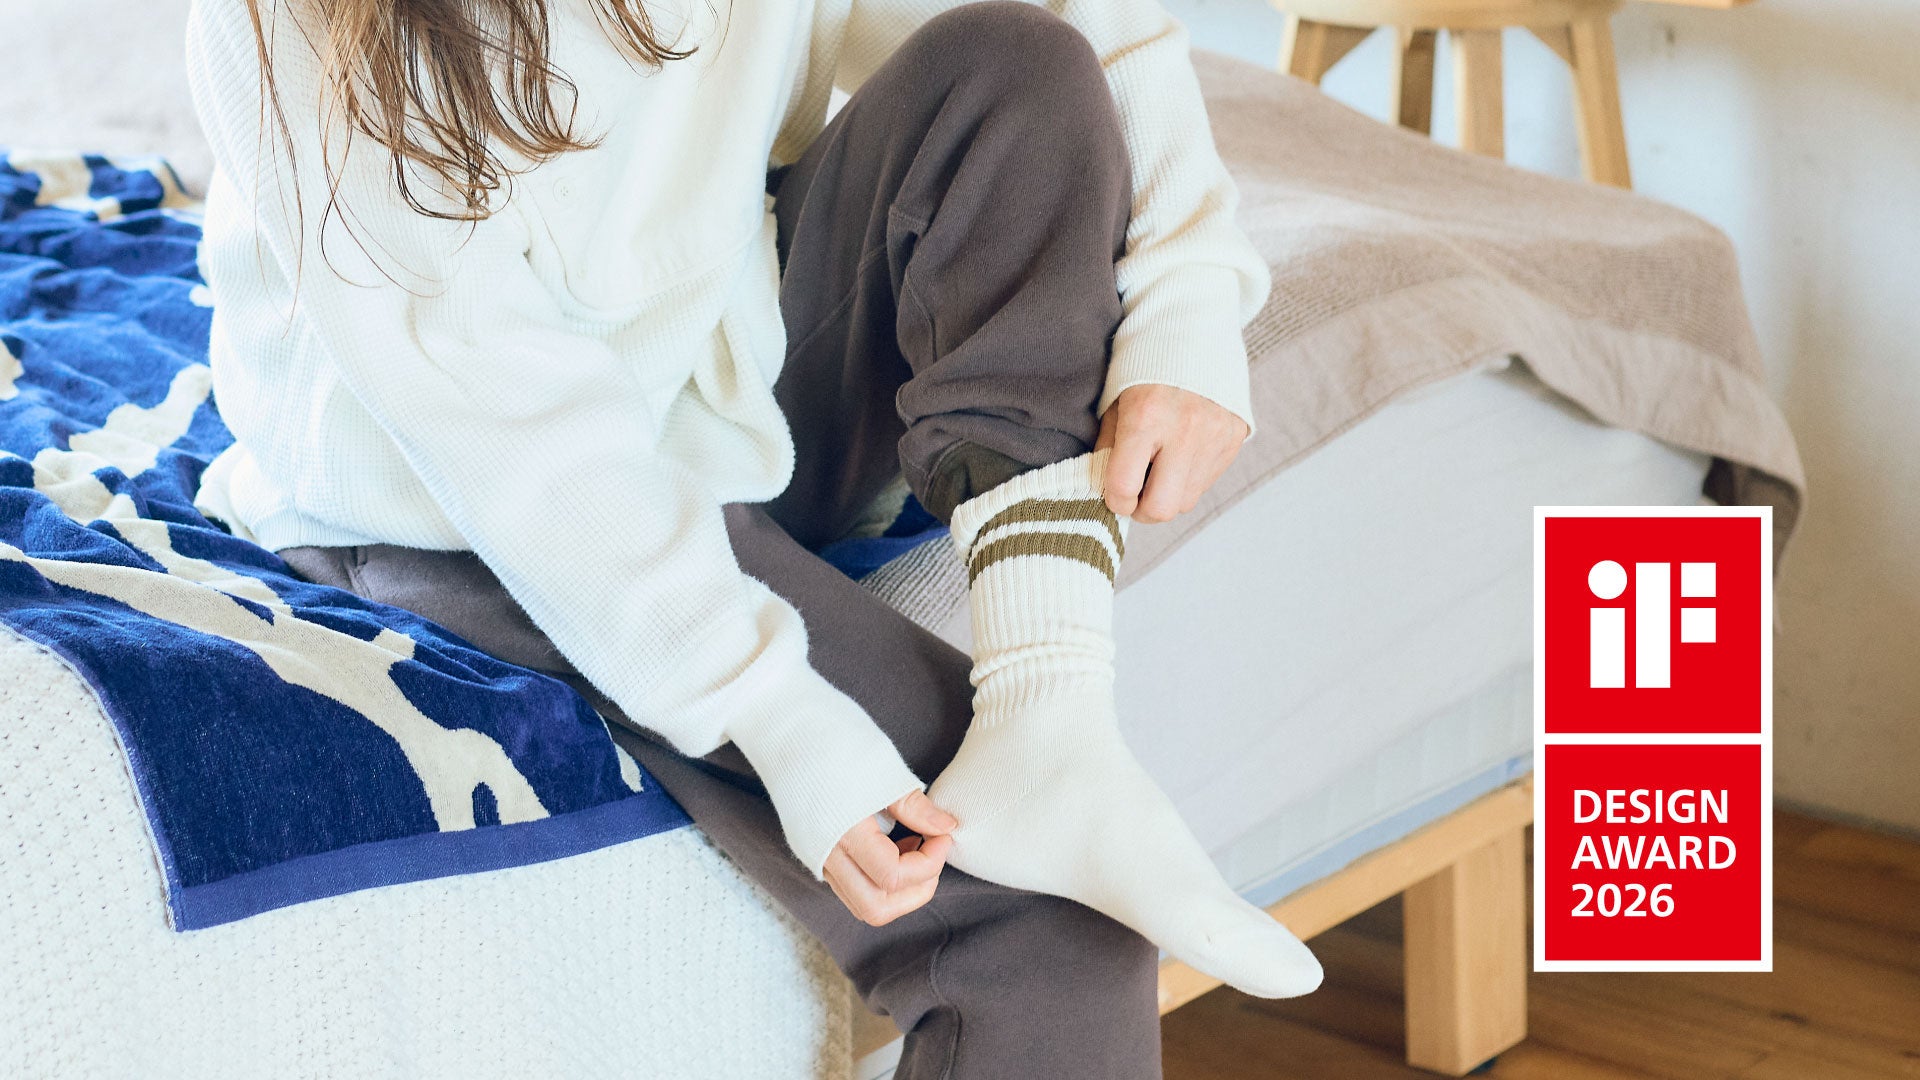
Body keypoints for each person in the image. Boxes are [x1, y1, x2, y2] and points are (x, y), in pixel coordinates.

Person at [186, 0, 1322, 1073]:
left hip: (721, 382)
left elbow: (1078, 28)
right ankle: (1031, 801)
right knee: (1052, 923)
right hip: (458, 505)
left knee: (1016, 66)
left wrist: (1184, 293)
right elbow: (500, 422)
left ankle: (1052, 710)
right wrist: (778, 714)